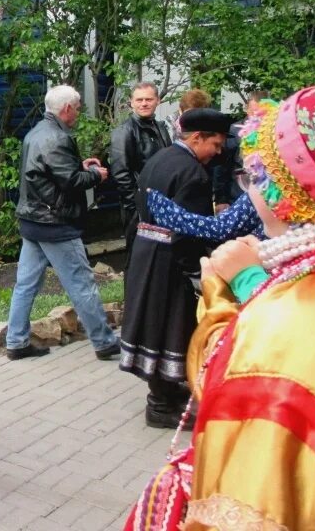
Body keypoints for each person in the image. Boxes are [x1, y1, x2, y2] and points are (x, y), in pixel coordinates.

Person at [124, 71, 315, 530]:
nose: (251, 187)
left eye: (261, 174)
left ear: (295, 189)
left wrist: (232, 285)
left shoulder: (310, 305)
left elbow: (256, 386)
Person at [118, 108, 232, 429]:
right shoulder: (193, 173)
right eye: (216, 144)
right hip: (169, 261)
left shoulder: (161, 157)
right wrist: (197, 274)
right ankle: (159, 406)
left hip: (147, 251)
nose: (218, 152)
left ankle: (168, 391)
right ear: (197, 138)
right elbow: (188, 232)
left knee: (156, 324)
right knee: (170, 325)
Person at [5, 85, 120, 361]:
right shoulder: (57, 138)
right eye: (78, 108)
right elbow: (69, 182)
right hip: (55, 224)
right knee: (82, 284)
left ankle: (16, 341)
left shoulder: (36, 133)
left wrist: (79, 165)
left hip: (33, 222)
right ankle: (104, 342)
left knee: (26, 285)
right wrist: (96, 175)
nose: (78, 113)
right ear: (66, 108)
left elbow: (47, 173)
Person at [109, 81, 172, 251]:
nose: (144, 103)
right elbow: (120, 173)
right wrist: (136, 207)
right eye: (139, 100)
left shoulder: (160, 128)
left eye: (148, 99)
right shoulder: (125, 131)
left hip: (162, 202)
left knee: (160, 255)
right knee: (139, 256)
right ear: (131, 102)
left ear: (157, 101)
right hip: (139, 207)